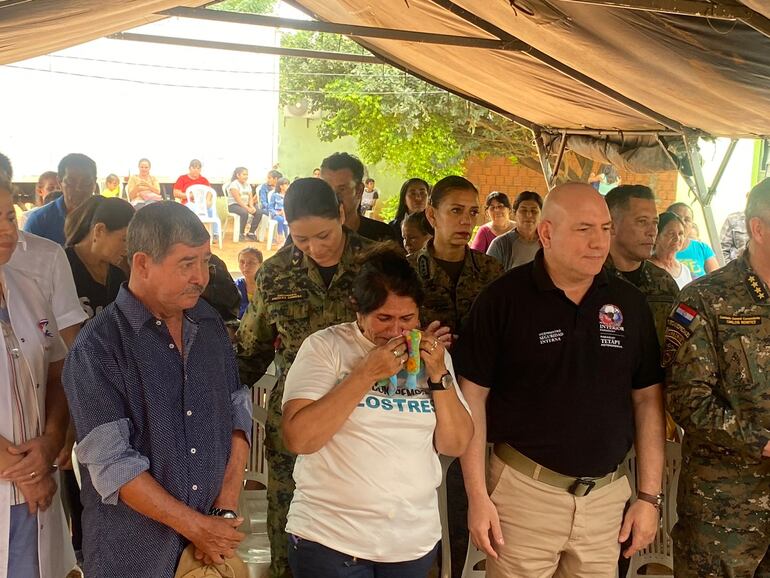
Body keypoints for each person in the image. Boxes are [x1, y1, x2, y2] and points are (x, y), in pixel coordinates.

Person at [455, 182, 665, 578]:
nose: (599, 242)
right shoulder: (503, 300)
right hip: (523, 493)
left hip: (606, 500)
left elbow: (648, 401)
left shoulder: (629, 304)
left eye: (605, 229)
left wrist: (648, 498)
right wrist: (478, 496)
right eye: (584, 230)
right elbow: (472, 399)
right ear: (546, 233)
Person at [62, 201, 252, 578]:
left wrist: (224, 510)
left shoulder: (208, 323)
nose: (201, 276)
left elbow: (237, 413)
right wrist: (198, 528)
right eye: (186, 264)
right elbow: (114, 465)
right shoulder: (98, 348)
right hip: (134, 555)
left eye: (205, 261)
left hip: (210, 549)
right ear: (142, 263)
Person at [282, 246, 473, 577]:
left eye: (408, 319)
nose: (397, 331)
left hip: (410, 541)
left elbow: (455, 444)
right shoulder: (326, 347)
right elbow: (299, 438)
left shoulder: (432, 358)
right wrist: (365, 373)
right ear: (358, 311)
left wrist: (440, 375)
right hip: (331, 538)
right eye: (384, 318)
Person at [237, 177, 377, 578]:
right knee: (289, 526)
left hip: (366, 419)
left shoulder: (378, 262)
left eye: (323, 235)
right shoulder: (276, 274)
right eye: (301, 239)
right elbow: (251, 349)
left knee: (360, 525)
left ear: (342, 214)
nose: (315, 248)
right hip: (295, 423)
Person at [664, 177, 770, 577]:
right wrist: (762, 442)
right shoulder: (704, 299)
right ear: (757, 229)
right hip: (725, 515)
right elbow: (687, 401)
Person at [407, 175, 502, 578]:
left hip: (480, 406)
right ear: (432, 215)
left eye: (472, 212)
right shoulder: (406, 271)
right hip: (420, 405)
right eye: (455, 211)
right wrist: (420, 342)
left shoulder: (493, 272)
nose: (465, 221)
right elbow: (381, 336)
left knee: (469, 503)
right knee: (422, 505)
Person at [0, 177, 77, 578]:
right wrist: (27, 474)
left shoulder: (26, 288)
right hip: (20, 482)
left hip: (35, 490)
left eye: (9, 215)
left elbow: (56, 365)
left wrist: (50, 441)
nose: (6, 229)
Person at [604, 185, 680, 343]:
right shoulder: (589, 279)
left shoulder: (665, 284)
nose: (652, 231)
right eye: (642, 221)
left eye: (655, 222)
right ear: (611, 225)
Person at [64, 196, 134, 321]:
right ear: (100, 230)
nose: (127, 248)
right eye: (124, 239)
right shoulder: (62, 266)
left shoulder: (117, 276)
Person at [319, 153, 397, 243]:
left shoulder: (382, 236)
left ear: (359, 190)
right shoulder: (308, 236)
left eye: (342, 189)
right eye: (326, 189)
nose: (333, 196)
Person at [25, 153, 97, 245]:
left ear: (95, 182)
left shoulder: (107, 217)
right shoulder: (40, 220)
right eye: (71, 181)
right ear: (59, 182)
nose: (78, 188)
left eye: (86, 182)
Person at [486, 190, 542, 270]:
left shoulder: (548, 243)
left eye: (534, 211)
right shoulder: (500, 244)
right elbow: (488, 278)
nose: (529, 215)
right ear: (514, 213)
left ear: (541, 214)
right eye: (523, 210)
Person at [666, 202, 719, 278]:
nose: (683, 223)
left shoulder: (702, 248)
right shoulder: (656, 248)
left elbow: (715, 278)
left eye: (687, 220)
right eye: (678, 218)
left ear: (692, 224)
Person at [650, 212, 692, 290]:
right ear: (656, 237)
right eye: (671, 233)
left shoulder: (685, 270)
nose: (677, 238)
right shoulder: (647, 268)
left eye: (680, 233)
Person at [389, 178, 430, 246]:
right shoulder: (393, 227)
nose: (418, 198)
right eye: (413, 194)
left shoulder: (435, 225)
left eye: (422, 193)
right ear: (404, 200)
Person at [227, 167, 262, 241]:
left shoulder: (247, 185)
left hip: (246, 205)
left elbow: (250, 198)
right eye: (244, 174)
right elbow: (238, 200)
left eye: (247, 175)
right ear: (238, 175)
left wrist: (252, 206)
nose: (246, 176)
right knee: (244, 212)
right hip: (234, 205)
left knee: (258, 212)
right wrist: (247, 208)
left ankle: (251, 233)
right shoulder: (234, 185)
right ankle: (241, 233)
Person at [235, 247, 263, 319]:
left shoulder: (267, 287)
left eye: (251, 262)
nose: (245, 266)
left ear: (261, 265)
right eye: (242, 262)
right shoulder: (235, 287)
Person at [270, 177, 290, 242]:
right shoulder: (275, 195)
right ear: (281, 186)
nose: (288, 186)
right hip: (277, 214)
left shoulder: (289, 195)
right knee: (281, 219)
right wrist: (277, 213)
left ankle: (288, 238)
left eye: (288, 184)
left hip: (286, 214)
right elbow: (270, 207)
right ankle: (280, 235)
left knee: (286, 220)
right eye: (286, 184)